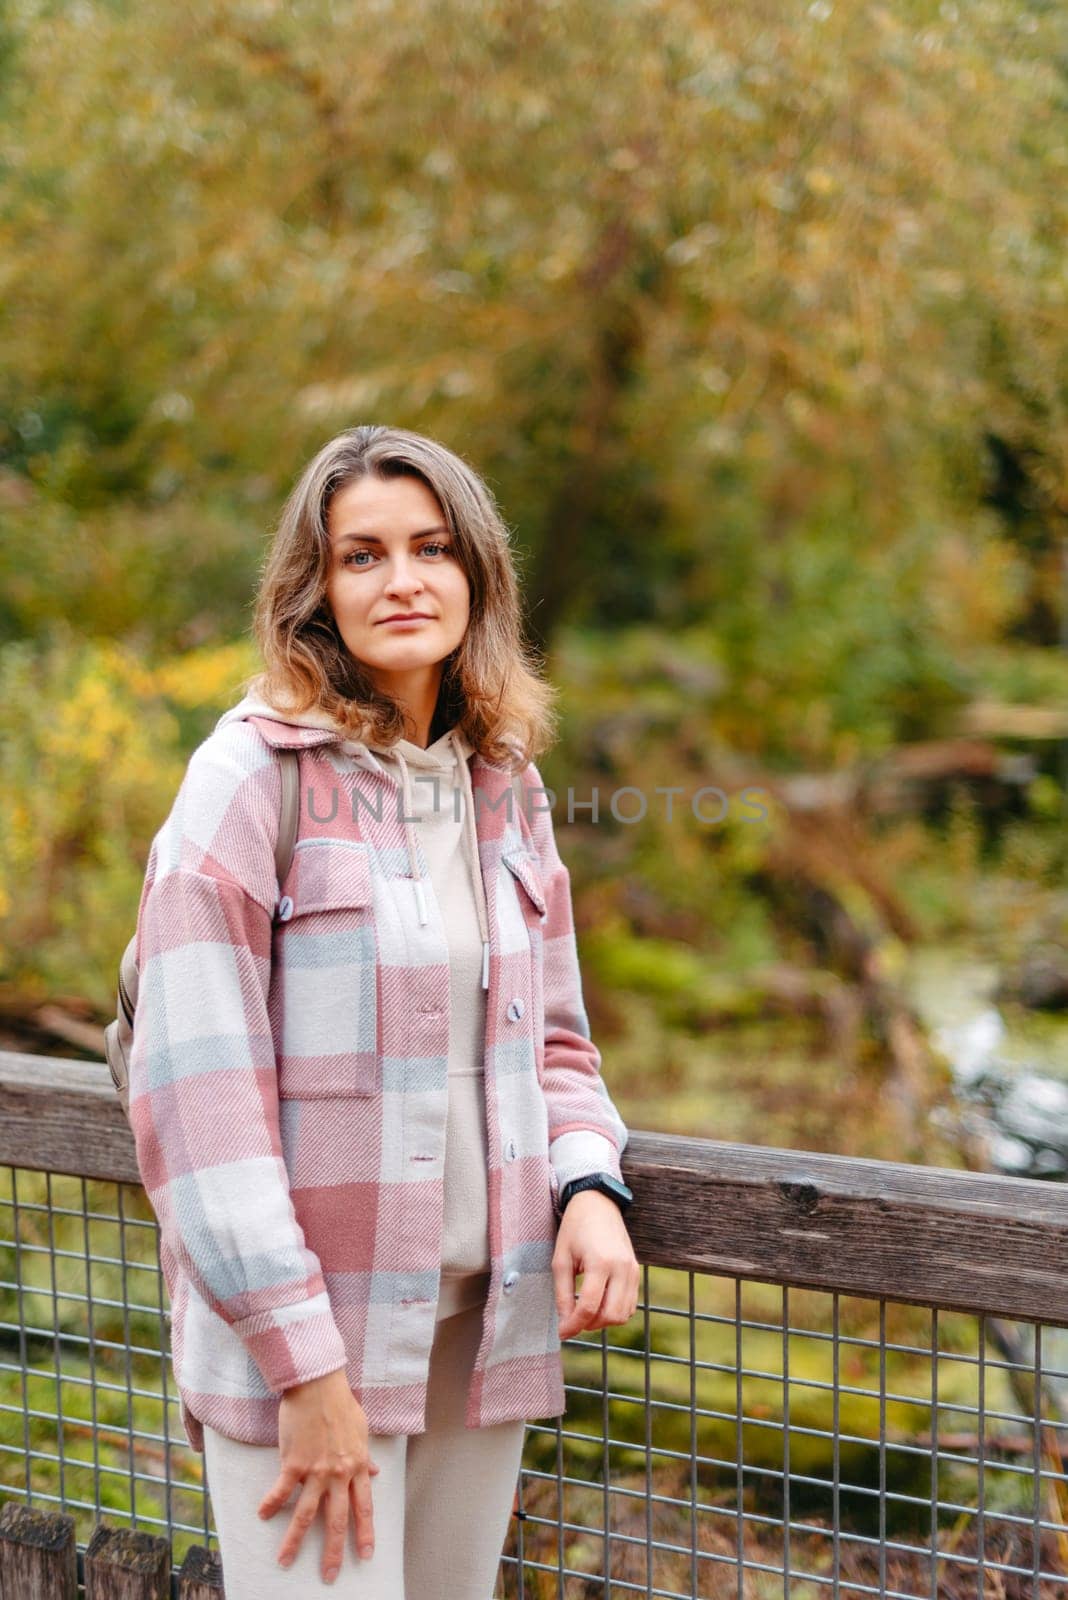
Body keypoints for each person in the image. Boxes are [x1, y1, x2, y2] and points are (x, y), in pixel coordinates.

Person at [127, 424, 638, 1599]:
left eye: (431, 547)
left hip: (484, 1326)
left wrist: (591, 1183)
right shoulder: (248, 783)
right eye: (362, 556)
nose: (403, 580)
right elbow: (199, 1113)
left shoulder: (502, 778)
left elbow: (558, 1039)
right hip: (312, 1344)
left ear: (478, 575)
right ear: (315, 590)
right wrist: (305, 1374)